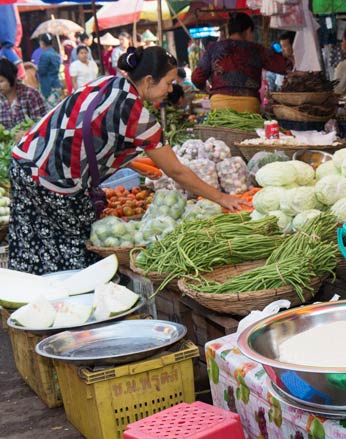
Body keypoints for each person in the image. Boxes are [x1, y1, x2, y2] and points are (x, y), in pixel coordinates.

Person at [9, 46, 248, 274]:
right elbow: (177, 172)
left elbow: (91, 130)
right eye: (168, 82)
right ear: (147, 81)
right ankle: (70, 304)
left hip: (23, 160)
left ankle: (29, 296)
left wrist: (130, 161)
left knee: (33, 243)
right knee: (76, 252)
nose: (171, 89)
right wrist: (221, 198)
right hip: (52, 180)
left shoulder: (106, 81)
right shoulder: (137, 117)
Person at [192, 13, 290, 113]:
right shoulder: (256, 49)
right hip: (248, 105)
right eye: (252, 33)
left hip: (219, 104)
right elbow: (283, 66)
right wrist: (290, 54)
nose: (251, 37)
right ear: (248, 31)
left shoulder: (214, 48)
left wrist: (205, 88)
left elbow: (196, 78)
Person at [0, 58, 46, 129]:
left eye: (1, 81)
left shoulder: (31, 94)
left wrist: (25, 134)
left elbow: (40, 124)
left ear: (13, 78)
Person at [36, 34, 62, 103]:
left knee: (50, 109)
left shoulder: (44, 55)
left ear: (42, 43)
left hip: (48, 86)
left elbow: (41, 71)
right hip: (56, 84)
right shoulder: (56, 54)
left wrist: (32, 66)